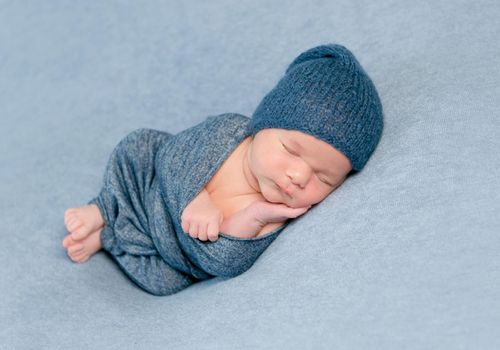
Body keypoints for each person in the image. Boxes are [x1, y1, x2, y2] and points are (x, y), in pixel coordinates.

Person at [61, 43, 384, 296]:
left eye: (323, 178)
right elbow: (173, 156)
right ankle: (103, 208)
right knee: (138, 147)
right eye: (291, 150)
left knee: (164, 282)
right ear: (263, 124)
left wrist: (253, 217)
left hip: (168, 253)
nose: (299, 177)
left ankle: (108, 237)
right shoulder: (230, 131)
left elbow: (220, 263)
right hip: (152, 187)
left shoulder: (273, 214)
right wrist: (195, 199)